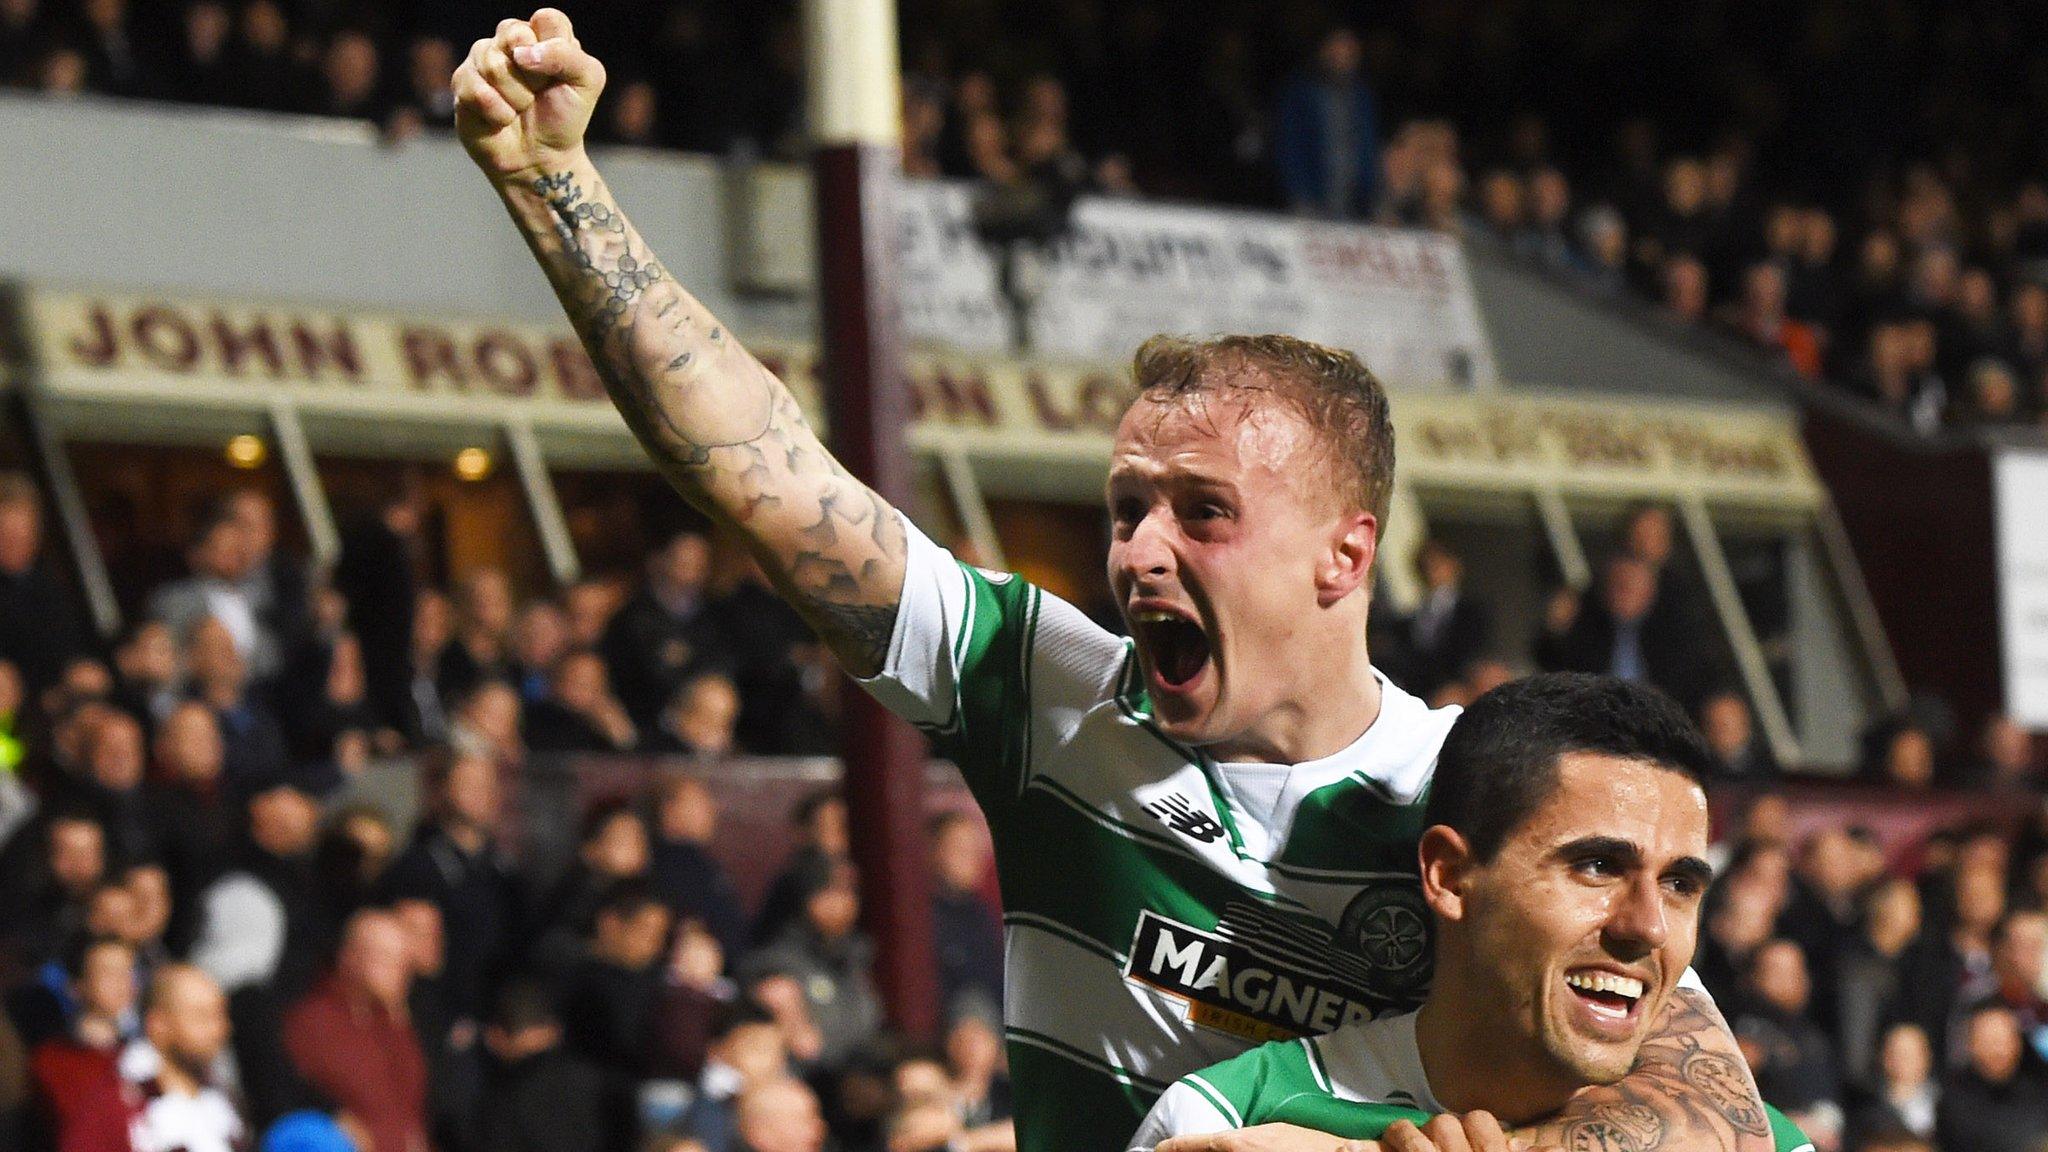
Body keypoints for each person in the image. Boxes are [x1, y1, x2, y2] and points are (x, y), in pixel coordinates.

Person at [453, 20, 1774, 1152]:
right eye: (1128, 508)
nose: (1141, 552)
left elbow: (1705, 1100)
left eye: (1203, 514)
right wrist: (557, 186)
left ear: (1346, 556)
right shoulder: (1046, 690)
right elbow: (767, 476)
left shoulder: (1471, 793)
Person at [1130, 675, 1808, 1152]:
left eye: (1680, 884)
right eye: (1597, 867)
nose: (1647, 925)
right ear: (1450, 876)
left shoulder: (1756, 1140)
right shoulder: (1229, 1120)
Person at [282, 909, 430, 1152]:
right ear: (350, 956)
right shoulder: (314, 1022)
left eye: (403, 961)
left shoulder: (395, 1026)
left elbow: (411, 1109)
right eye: (385, 959)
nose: (399, 971)